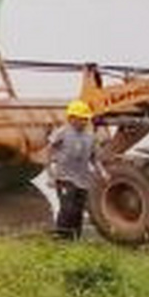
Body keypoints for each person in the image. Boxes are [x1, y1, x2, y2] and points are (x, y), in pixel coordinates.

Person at [46, 100, 102, 240]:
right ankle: (61, 236)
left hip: (83, 180)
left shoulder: (90, 136)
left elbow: (94, 158)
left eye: (86, 119)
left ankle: (75, 238)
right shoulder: (62, 133)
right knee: (67, 207)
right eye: (81, 118)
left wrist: (102, 172)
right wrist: (50, 174)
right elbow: (48, 151)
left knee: (78, 210)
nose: (84, 122)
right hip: (64, 177)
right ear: (71, 118)